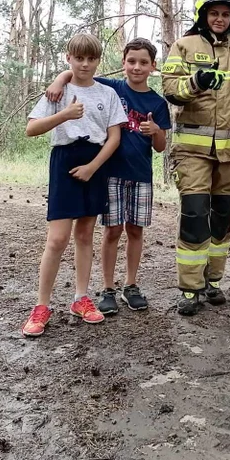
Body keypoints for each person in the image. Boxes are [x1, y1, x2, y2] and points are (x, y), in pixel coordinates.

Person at [45, 37, 171, 314]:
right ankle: (107, 287)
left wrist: (156, 132)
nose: (137, 67)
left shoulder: (157, 103)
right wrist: (58, 80)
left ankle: (131, 284)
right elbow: (79, 71)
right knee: (112, 230)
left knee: (135, 230)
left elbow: (161, 147)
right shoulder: (112, 88)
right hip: (110, 172)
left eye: (144, 63)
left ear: (153, 67)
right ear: (123, 63)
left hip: (141, 174)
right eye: (131, 61)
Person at [22, 33, 128, 337]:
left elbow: (114, 137)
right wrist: (65, 114)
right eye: (78, 58)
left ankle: (81, 298)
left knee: (84, 235)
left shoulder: (106, 94)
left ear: (98, 61)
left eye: (91, 58)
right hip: (64, 160)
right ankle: (42, 305)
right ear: (68, 58)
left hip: (95, 163)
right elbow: (31, 129)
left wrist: (94, 167)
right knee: (57, 239)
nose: (84, 64)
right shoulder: (58, 91)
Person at [161, 0, 230, 316]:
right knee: (195, 215)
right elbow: (171, 90)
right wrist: (196, 82)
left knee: (223, 218)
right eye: (214, 13)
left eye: (226, 14)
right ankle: (189, 288)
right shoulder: (183, 46)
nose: (220, 19)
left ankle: (213, 281)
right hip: (193, 150)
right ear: (203, 16)